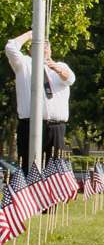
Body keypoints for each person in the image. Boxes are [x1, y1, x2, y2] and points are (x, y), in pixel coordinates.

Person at [5, 30, 75, 173]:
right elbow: (10, 47)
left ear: (51, 50)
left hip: (55, 127)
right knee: (28, 167)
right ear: (31, 50)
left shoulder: (61, 66)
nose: (44, 49)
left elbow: (70, 79)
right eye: (39, 46)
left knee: (54, 171)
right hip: (29, 126)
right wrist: (32, 34)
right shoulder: (23, 64)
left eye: (47, 46)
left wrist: (57, 68)